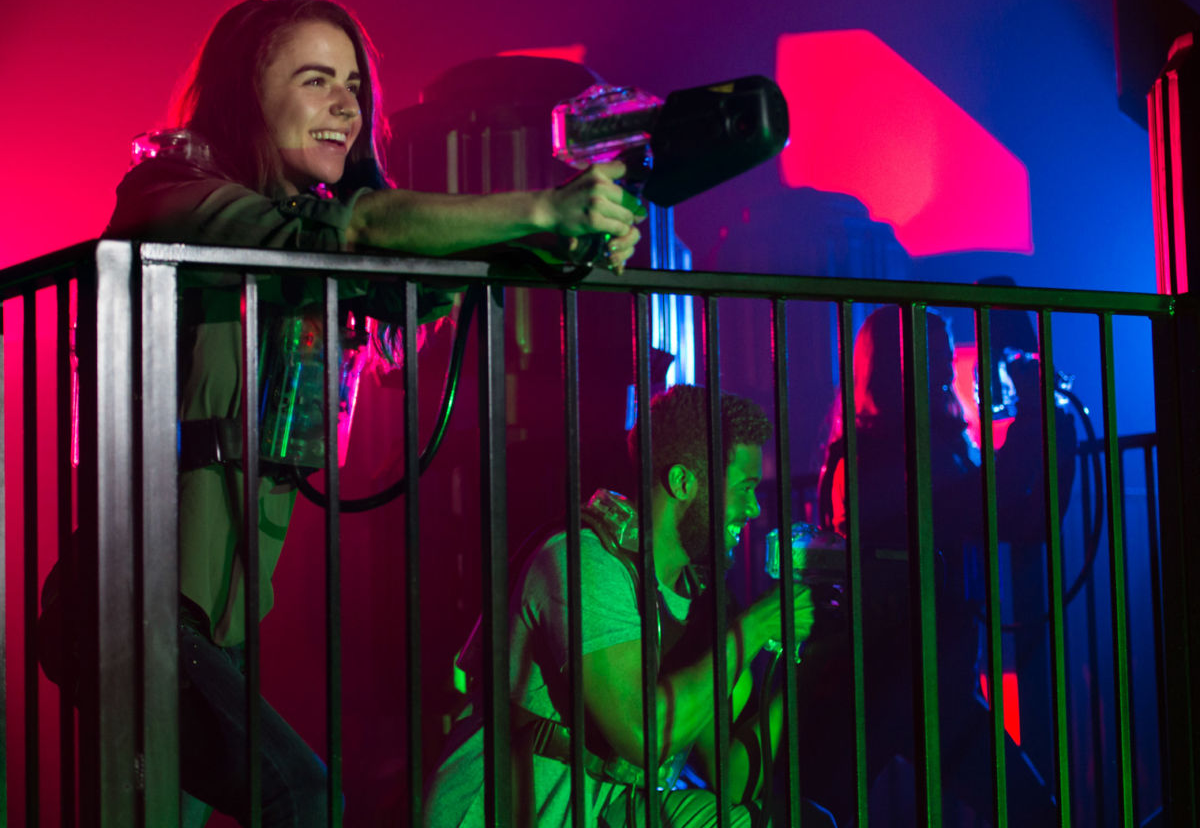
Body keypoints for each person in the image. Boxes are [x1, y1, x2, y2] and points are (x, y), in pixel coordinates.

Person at [102, 0, 645, 827]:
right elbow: (341, 236)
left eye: (354, 84)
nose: (347, 106)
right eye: (316, 80)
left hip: (220, 626)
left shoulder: (305, 244)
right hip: (130, 605)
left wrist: (568, 239)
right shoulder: (168, 191)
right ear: (249, 96)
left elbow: (398, 269)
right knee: (303, 797)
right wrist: (541, 209)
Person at [424, 383, 815, 828]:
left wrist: (798, 667)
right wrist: (751, 630)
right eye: (744, 488)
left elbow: (733, 781)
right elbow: (644, 735)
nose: (753, 508)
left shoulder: (696, 599)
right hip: (505, 811)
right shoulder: (585, 563)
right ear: (683, 482)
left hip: (602, 810)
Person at [804, 305, 1056, 826]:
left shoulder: (925, 443)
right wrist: (1034, 412)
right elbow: (985, 502)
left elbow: (1013, 515)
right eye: (935, 352)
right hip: (889, 681)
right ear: (900, 363)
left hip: (932, 681)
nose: (947, 365)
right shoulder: (876, 453)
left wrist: (1040, 421)